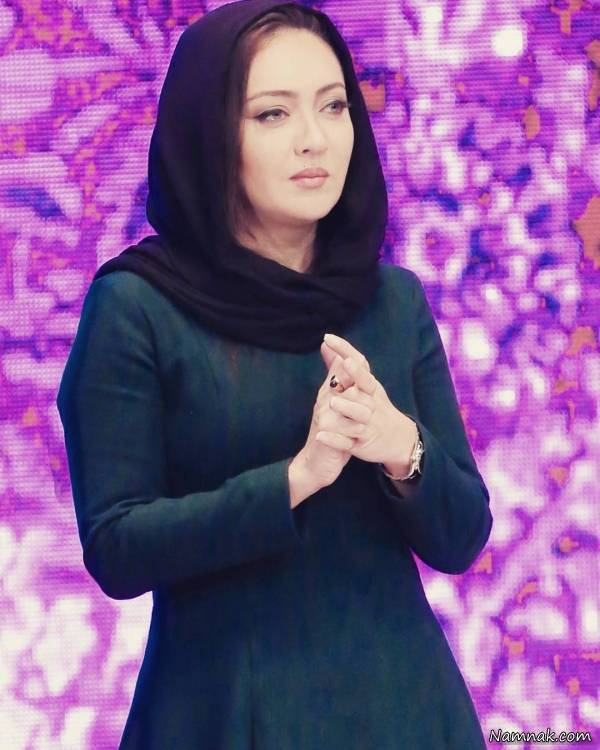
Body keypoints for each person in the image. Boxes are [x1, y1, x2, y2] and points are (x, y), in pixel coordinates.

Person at [56, 1, 493, 747]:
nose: (314, 139)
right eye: (272, 114)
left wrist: (400, 446)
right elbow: (118, 548)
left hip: (406, 710)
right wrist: (296, 479)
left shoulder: (392, 300)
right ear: (210, 134)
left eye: (333, 106)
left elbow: (462, 536)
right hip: (225, 712)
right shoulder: (136, 307)